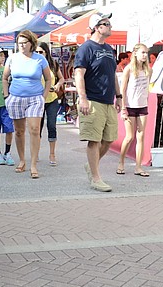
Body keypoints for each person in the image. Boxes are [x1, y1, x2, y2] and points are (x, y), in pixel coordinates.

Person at [74, 11, 121, 192]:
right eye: (106, 24)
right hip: (93, 100)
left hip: (108, 101)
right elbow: (79, 74)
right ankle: (95, 177)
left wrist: (118, 97)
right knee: (94, 140)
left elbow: (113, 75)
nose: (110, 27)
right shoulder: (86, 48)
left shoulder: (109, 49)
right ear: (97, 27)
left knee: (109, 140)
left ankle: (91, 166)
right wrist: (83, 98)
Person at [3, 29, 51, 179]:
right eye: (19, 43)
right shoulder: (12, 58)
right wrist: (6, 96)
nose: (22, 46)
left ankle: (33, 164)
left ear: (31, 43)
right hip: (16, 97)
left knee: (35, 129)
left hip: (35, 98)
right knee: (19, 131)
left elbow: (48, 79)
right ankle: (22, 160)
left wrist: (43, 96)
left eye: (25, 43)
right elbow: (5, 78)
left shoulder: (40, 59)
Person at [116, 43, 151, 177]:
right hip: (130, 105)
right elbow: (123, 89)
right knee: (129, 136)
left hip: (142, 105)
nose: (145, 55)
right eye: (143, 52)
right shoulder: (129, 69)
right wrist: (123, 107)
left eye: (146, 53)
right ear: (135, 53)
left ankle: (138, 166)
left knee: (141, 136)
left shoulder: (148, 69)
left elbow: (147, 87)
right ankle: (121, 162)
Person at [37, 42, 63, 167]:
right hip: (37, 99)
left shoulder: (53, 64)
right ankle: (35, 152)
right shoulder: (33, 64)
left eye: (41, 52)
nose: (38, 54)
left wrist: (58, 85)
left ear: (46, 52)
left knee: (51, 125)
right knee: (37, 127)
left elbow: (61, 78)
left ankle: (52, 154)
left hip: (52, 99)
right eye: (36, 52)